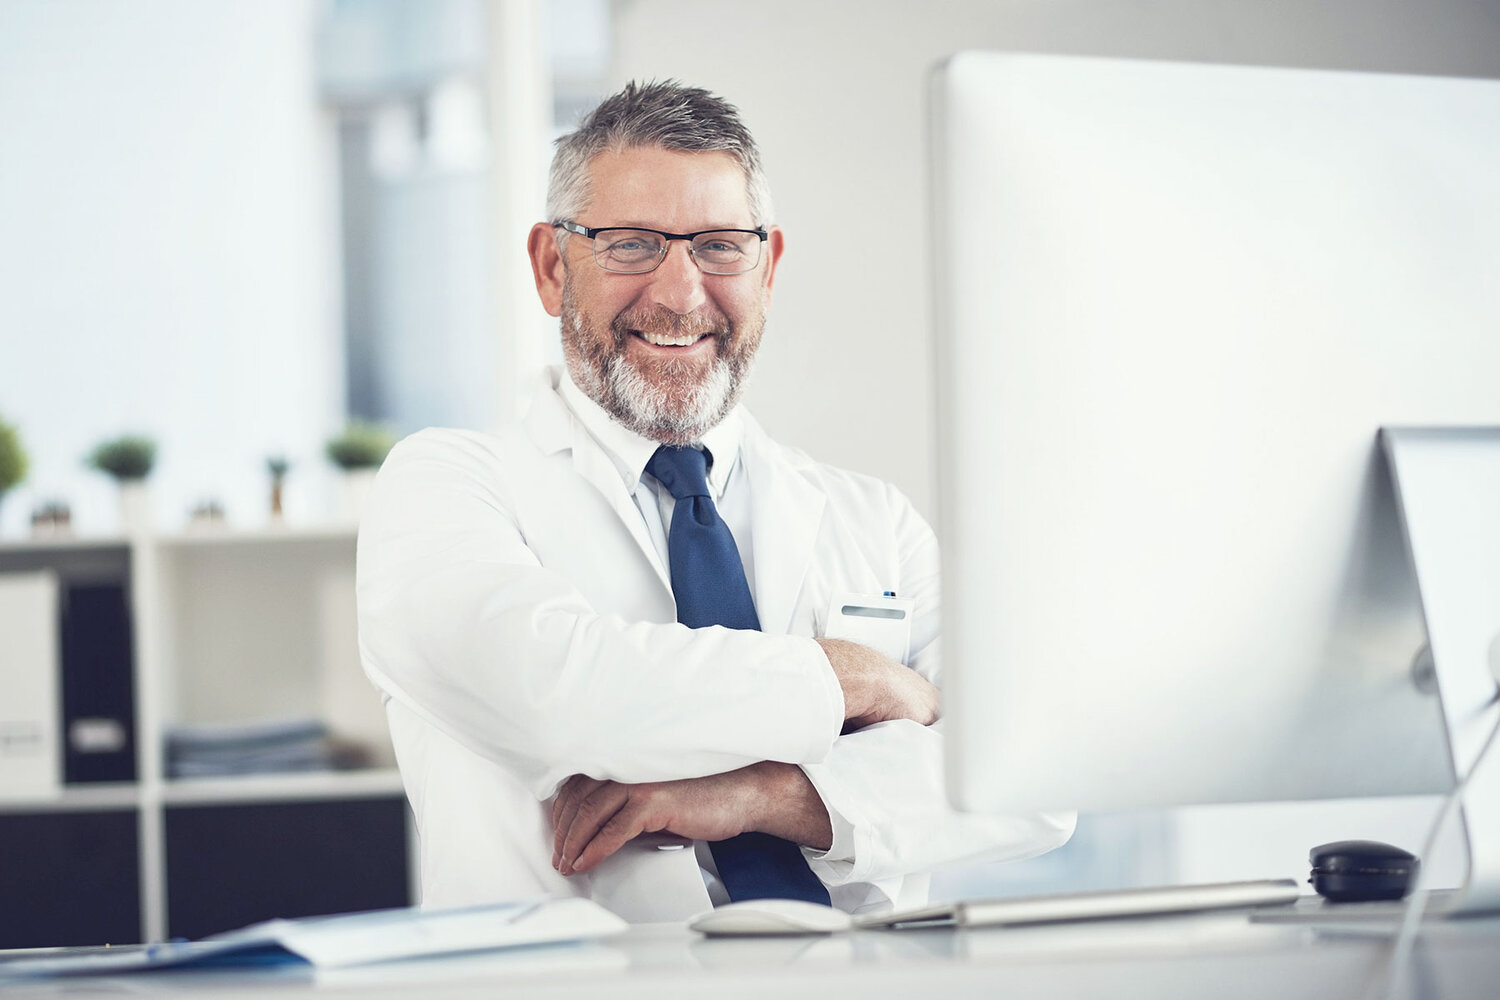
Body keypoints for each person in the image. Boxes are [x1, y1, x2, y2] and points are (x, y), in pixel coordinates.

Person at [356, 80, 1074, 921]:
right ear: (553, 268)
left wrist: (764, 797)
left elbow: (1028, 776)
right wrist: (852, 678)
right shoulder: (445, 486)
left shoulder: (871, 518)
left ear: (767, 268)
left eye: (720, 247)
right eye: (630, 244)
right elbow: (568, 696)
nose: (680, 293)